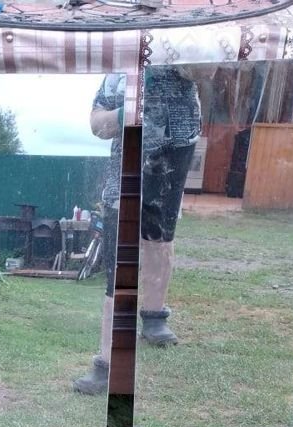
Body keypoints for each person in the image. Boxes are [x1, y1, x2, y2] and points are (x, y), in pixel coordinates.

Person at [73, 67, 201, 395]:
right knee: (119, 263)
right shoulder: (116, 74)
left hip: (174, 152)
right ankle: (107, 363)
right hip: (126, 165)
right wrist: (125, 112)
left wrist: (181, 60)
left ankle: (155, 315)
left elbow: (208, 72)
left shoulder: (182, 53)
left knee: (160, 236)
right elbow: (97, 124)